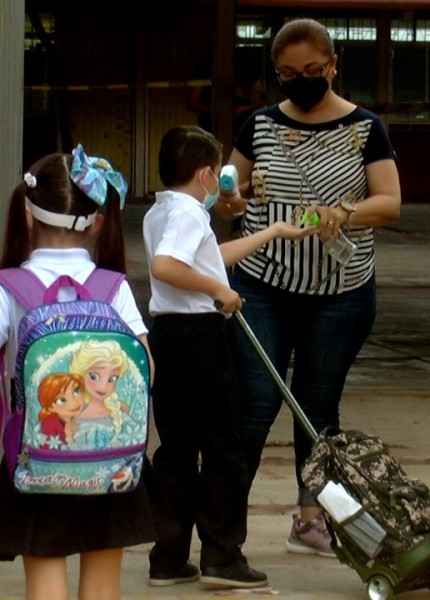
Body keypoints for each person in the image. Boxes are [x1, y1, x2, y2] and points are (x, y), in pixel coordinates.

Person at [217, 17, 402, 557]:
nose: (301, 81)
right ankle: (223, 528)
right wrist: (230, 202)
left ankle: (310, 516)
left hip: (341, 291)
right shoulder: (258, 126)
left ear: (333, 65)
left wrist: (343, 211)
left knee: (317, 406)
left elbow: (389, 202)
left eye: (312, 71)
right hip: (263, 287)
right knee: (254, 404)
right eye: (288, 74)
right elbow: (230, 193)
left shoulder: (366, 128)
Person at [143, 125, 311, 588]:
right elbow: (167, 267)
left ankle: (169, 555)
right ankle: (222, 554)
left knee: (176, 449)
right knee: (223, 447)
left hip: (168, 337)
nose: (221, 182)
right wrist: (220, 290)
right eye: (219, 173)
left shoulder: (163, 211)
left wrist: (272, 233)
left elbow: (205, 257)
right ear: (204, 175)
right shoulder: (192, 215)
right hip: (200, 337)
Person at [0, 146, 156, 599]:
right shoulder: (114, 289)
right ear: (98, 223)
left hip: (35, 462)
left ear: (27, 217)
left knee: (46, 582)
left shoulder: (10, 288)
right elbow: (147, 370)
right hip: (111, 467)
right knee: (104, 586)